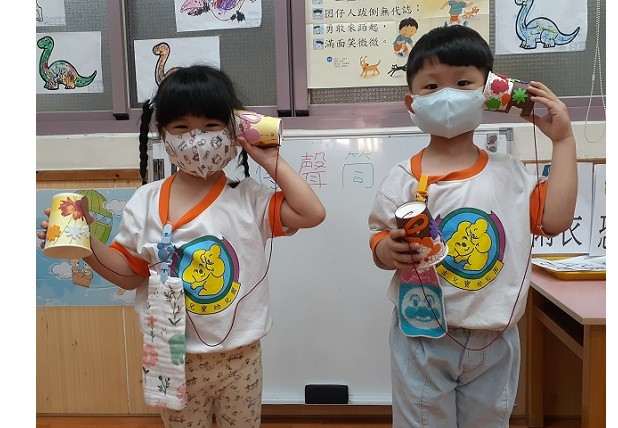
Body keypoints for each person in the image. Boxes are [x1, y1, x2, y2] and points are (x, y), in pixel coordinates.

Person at [38, 65, 326, 428]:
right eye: (182, 127)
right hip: (170, 356)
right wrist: (86, 242)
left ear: (233, 131)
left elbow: (312, 213)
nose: (197, 139)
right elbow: (129, 275)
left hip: (241, 358)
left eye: (211, 125)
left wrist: (268, 159)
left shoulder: (249, 197)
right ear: (163, 133)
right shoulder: (146, 201)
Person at [368, 25, 577, 427]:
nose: (447, 96)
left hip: (495, 336)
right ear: (412, 103)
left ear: (489, 93)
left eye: (463, 83)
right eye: (432, 86)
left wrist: (563, 141)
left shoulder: (510, 172)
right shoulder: (402, 176)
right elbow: (378, 239)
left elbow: (555, 220)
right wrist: (386, 249)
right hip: (422, 332)